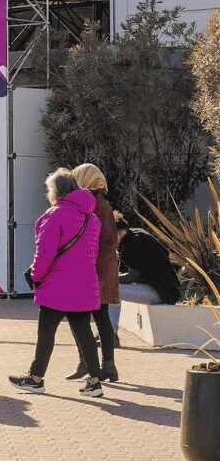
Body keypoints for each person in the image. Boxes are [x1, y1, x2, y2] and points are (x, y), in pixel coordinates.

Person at [10, 168, 105, 398]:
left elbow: (44, 254)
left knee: (46, 334)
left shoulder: (54, 216)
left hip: (57, 285)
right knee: (84, 333)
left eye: (49, 190)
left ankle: (35, 379)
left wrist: (35, 277)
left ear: (57, 190)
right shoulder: (92, 218)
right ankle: (95, 382)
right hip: (84, 284)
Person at [66, 164, 120, 383]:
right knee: (101, 317)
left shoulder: (89, 204)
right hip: (105, 267)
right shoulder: (103, 203)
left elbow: (91, 238)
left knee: (78, 316)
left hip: (91, 267)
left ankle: (86, 363)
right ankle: (109, 365)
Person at [109, 213, 181, 330]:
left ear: (120, 233)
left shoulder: (133, 243)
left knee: (111, 289)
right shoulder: (136, 234)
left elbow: (133, 277)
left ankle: (111, 334)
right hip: (165, 290)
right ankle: (110, 332)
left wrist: (109, 278)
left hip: (159, 292)